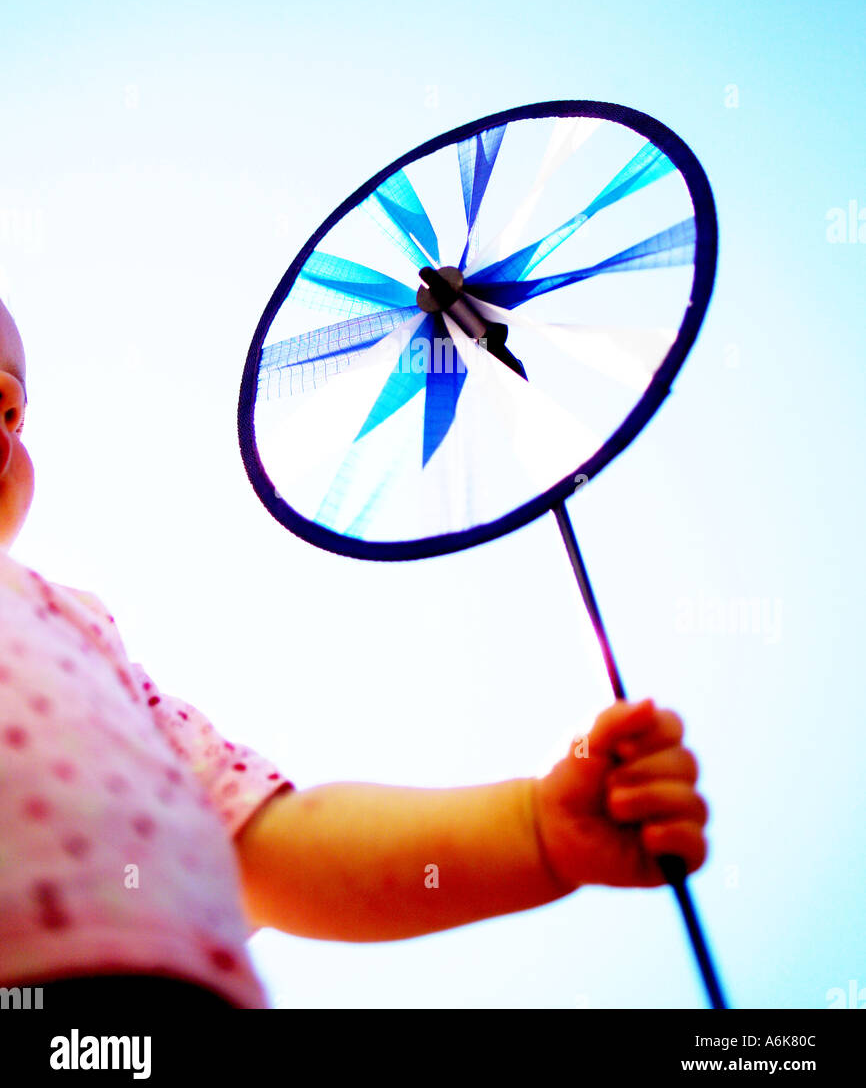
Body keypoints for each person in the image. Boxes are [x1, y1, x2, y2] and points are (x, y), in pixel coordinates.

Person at [0, 295, 708, 1011]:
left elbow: (267, 846)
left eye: (10, 412)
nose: (4, 432)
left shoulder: (82, 632)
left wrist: (538, 832)